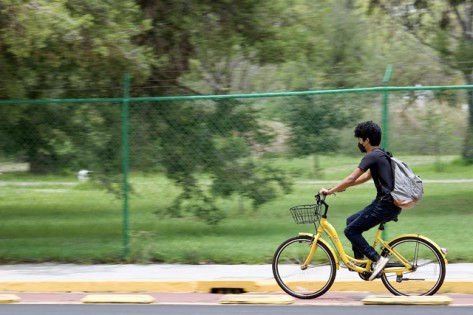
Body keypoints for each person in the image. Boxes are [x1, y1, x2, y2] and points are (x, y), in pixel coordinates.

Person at [319, 120, 401, 281]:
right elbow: (365, 177)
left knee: (350, 231)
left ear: (367, 140)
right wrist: (344, 187)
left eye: (359, 139)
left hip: (384, 205)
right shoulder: (382, 154)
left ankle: (377, 260)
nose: (359, 143)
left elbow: (351, 177)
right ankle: (363, 265)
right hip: (388, 204)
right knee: (351, 221)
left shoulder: (371, 156)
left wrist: (330, 191)